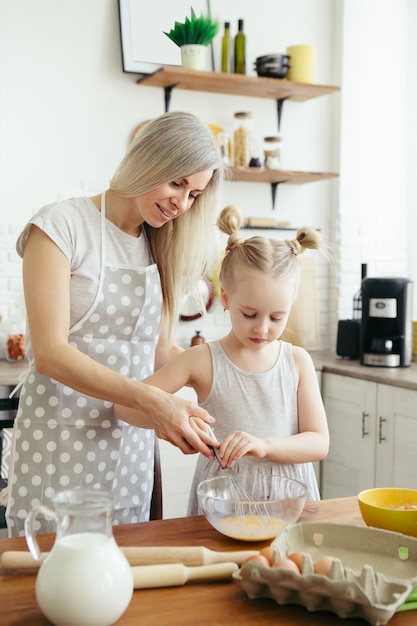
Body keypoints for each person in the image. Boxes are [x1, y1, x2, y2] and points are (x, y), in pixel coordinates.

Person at [4, 111, 225, 537]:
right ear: (149, 159)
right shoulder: (60, 225)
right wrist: (151, 400)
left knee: (120, 569)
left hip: (130, 447)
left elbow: (161, 352)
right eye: (177, 182)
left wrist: (231, 383)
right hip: (59, 439)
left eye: (194, 194)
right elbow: (50, 354)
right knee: (48, 573)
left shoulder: (161, 247)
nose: (182, 204)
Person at [116, 205, 330, 514]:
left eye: (277, 316)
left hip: (291, 501)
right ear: (226, 298)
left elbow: (318, 442)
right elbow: (126, 407)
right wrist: (177, 419)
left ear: (291, 304)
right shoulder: (201, 360)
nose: (262, 327)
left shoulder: (297, 361)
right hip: (224, 502)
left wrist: (264, 445)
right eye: (250, 314)